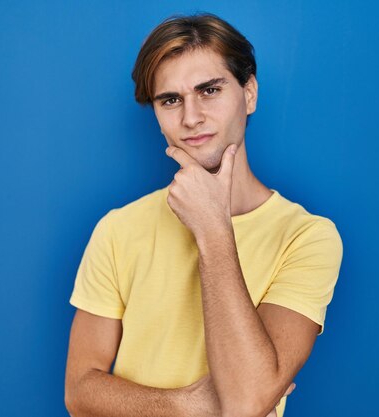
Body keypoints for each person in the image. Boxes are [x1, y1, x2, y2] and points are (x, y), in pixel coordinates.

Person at [64, 12, 343, 417]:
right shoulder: (117, 229)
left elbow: (245, 403)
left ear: (249, 94)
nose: (190, 118)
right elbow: (79, 392)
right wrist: (187, 405)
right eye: (171, 100)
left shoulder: (307, 237)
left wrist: (213, 229)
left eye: (209, 90)